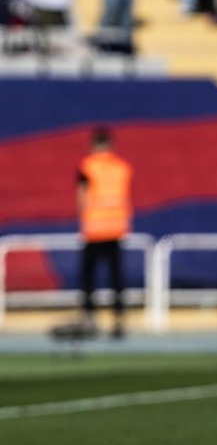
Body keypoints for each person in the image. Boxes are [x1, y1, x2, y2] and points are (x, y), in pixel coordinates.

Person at [52, 126, 133, 340]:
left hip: (94, 229)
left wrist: (84, 219)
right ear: (111, 144)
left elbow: (82, 197)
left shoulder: (88, 166)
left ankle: (90, 317)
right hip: (116, 229)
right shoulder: (121, 167)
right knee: (116, 277)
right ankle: (119, 320)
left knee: (89, 276)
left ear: (93, 145)